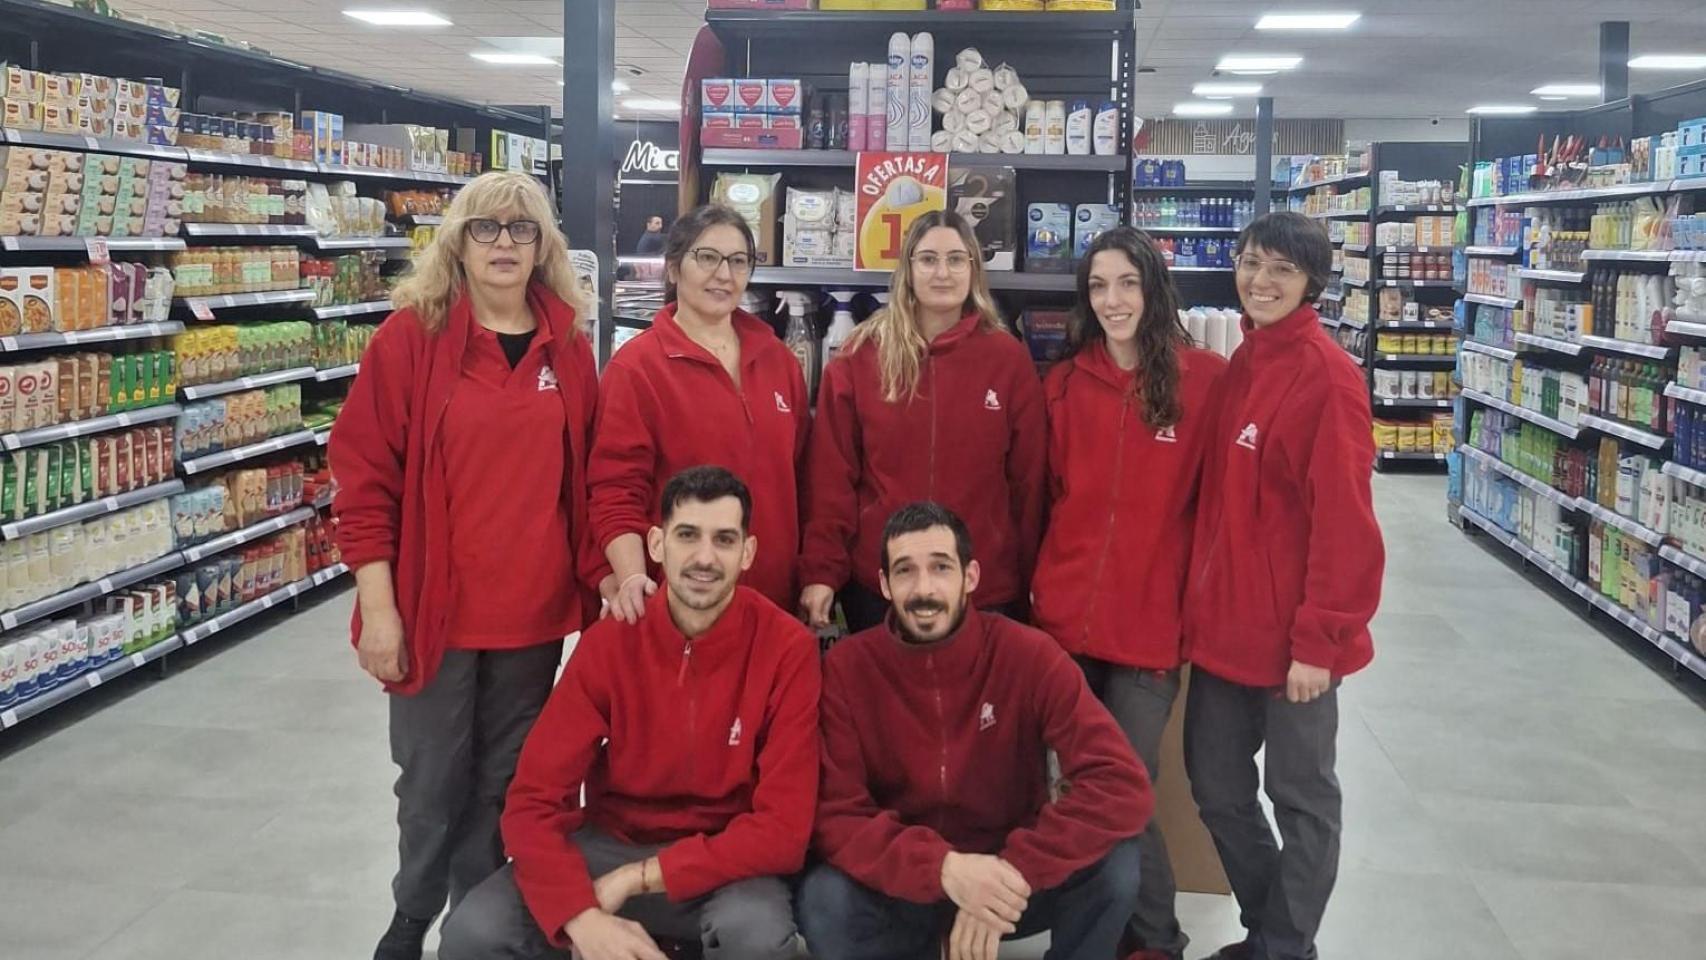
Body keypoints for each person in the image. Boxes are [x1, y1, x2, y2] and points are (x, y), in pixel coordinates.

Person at [330, 170, 606, 960]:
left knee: (503, 782)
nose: (505, 245)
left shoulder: (569, 342)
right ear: (457, 240)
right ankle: (412, 914)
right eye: (487, 228)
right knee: (429, 784)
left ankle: (475, 927)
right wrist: (378, 608)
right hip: (432, 610)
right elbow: (364, 479)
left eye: (523, 230)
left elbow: (589, 474)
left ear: (545, 245)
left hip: (534, 611)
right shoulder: (411, 340)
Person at [439, 466, 822, 960]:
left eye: (724, 539)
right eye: (688, 536)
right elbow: (533, 800)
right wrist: (581, 916)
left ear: (747, 552)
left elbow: (783, 831)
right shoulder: (611, 642)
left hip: (724, 861)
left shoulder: (786, 648)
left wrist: (638, 879)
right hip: (609, 844)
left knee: (758, 940)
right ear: (657, 544)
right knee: (474, 932)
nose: (705, 558)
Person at [798, 501, 1152, 960]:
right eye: (905, 571)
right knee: (824, 900)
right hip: (903, 886)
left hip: (1008, 884)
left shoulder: (1029, 655)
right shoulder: (847, 669)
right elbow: (836, 817)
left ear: (970, 576)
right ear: (884, 584)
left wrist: (1014, 869)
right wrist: (944, 869)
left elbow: (1122, 785)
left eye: (941, 567)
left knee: (1117, 865)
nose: (924, 588)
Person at [1182, 211, 1384, 960]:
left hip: (1296, 645)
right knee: (1216, 786)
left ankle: (1281, 946)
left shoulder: (1329, 379)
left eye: (1281, 270)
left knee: (1301, 800)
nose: (1260, 281)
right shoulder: (1246, 361)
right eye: (1250, 262)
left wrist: (1320, 641)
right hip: (1225, 632)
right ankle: (1276, 937)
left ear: (1313, 284)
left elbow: (1346, 525)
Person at [1029, 226, 1228, 960]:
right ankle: (1097, 931)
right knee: (1073, 787)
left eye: (1127, 284)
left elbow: (1219, 509)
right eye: (1098, 286)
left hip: (1148, 627)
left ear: (1152, 288)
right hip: (1062, 622)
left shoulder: (1203, 380)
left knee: (1125, 788)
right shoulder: (1065, 384)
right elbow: (1050, 496)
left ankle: (1156, 940)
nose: (1113, 301)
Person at [799, 210, 1046, 634]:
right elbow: (831, 479)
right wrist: (821, 571)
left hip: (982, 588)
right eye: (928, 259)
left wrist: (1030, 580)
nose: (942, 273)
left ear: (973, 269)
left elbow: (1029, 482)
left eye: (956, 259)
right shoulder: (861, 356)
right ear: (908, 270)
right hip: (883, 585)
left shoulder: (1007, 359)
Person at [590, 204, 810, 621]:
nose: (724, 274)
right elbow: (615, 490)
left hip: (772, 605)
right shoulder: (637, 369)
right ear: (673, 268)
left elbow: (802, 478)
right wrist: (633, 577)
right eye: (707, 257)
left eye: (738, 261)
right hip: (681, 604)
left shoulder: (778, 360)